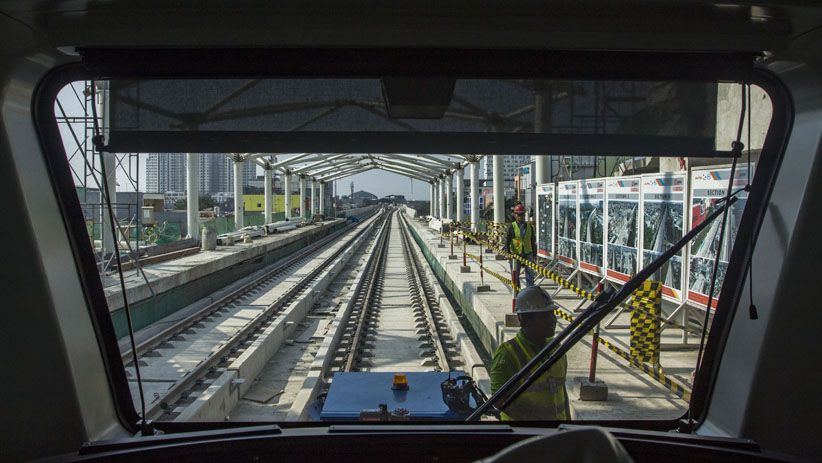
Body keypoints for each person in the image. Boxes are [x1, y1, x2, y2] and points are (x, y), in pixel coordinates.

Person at [490, 286, 570, 421]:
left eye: (552, 313)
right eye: (544, 316)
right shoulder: (507, 354)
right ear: (524, 320)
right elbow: (500, 400)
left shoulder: (556, 348)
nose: (552, 320)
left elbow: (561, 391)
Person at [504, 203, 537, 288]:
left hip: (528, 252)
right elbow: (507, 240)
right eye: (518, 214)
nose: (520, 216)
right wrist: (508, 252)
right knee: (515, 274)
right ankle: (517, 291)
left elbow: (533, 240)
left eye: (522, 214)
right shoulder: (512, 226)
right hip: (515, 253)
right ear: (515, 215)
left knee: (530, 273)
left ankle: (529, 291)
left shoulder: (529, 226)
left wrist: (534, 254)